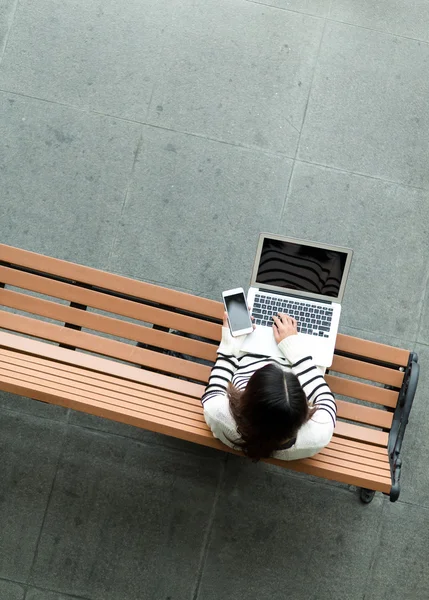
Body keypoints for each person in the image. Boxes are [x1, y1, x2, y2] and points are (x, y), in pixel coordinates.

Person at [201, 312, 336, 461]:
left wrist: (230, 343)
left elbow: (215, 387)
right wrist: (293, 347)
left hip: (249, 354)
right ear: (302, 412)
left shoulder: (218, 414)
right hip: (298, 356)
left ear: (246, 400)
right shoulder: (317, 435)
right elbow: (325, 398)